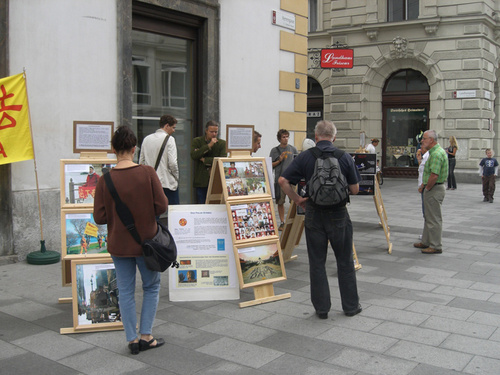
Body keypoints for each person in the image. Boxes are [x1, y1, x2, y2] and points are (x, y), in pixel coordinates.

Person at [94, 126, 168, 355]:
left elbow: (99, 217)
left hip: (119, 244)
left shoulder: (105, 180)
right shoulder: (147, 173)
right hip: (147, 244)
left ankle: (132, 339)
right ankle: (147, 335)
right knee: (151, 286)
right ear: (134, 149)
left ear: (113, 149)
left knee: (125, 291)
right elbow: (162, 206)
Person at [279, 120, 362, 319]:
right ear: (334, 137)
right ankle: (351, 307)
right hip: (339, 215)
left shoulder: (306, 156)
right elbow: (355, 189)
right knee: (344, 261)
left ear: (316, 137)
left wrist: (298, 200)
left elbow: (282, 180)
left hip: (314, 214)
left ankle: (322, 309)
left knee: (317, 263)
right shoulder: (344, 157)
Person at [413, 130, 448, 254]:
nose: (422, 141)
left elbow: (434, 175)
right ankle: (426, 241)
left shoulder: (436, 154)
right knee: (429, 216)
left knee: (433, 218)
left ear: (431, 140)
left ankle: (435, 245)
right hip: (432, 187)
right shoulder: (434, 152)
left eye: (424, 138)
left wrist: (427, 187)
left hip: (434, 188)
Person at [139, 114, 180, 205]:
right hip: (167, 182)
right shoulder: (170, 140)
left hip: (151, 182)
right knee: (173, 212)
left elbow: (141, 162)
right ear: (166, 126)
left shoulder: (146, 139)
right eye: (173, 128)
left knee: (153, 212)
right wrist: (176, 177)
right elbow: (173, 163)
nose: (174, 130)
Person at [191, 120, 227, 204]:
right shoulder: (197, 141)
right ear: (206, 131)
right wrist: (209, 146)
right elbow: (194, 155)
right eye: (211, 132)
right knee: (202, 205)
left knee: (215, 206)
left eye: (216, 132)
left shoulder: (222, 143)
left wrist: (204, 159)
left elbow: (221, 160)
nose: (214, 134)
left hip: (216, 181)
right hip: (201, 181)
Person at [270, 129, 298, 231]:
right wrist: (279, 160)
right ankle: (282, 222)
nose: (286, 139)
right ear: (279, 138)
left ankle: (293, 221)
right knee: (280, 201)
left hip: (292, 179)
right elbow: (270, 165)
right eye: (283, 137)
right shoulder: (274, 150)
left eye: (287, 137)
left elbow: (297, 163)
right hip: (280, 179)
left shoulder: (293, 149)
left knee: (294, 201)